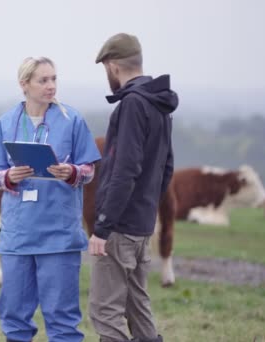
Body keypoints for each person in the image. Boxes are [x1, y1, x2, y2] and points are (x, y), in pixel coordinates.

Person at [0, 56, 101, 342]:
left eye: (54, 79)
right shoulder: (6, 122)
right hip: (18, 235)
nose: (51, 86)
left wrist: (70, 171)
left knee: (62, 319)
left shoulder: (73, 120)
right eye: (43, 80)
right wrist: (10, 176)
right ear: (25, 84)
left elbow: (89, 171)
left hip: (59, 235)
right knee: (14, 315)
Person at [87, 33, 178, 342]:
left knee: (104, 310)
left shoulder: (132, 105)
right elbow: (166, 167)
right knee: (137, 305)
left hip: (120, 227)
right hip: (141, 225)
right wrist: (147, 207)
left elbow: (123, 170)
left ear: (113, 67)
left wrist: (102, 226)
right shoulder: (159, 103)